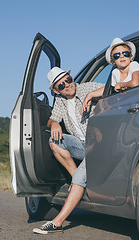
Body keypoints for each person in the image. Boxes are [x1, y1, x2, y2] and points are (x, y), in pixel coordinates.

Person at [33, 67, 104, 234]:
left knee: (80, 175)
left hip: (99, 145)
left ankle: (57, 222)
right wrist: (55, 124)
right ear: (56, 90)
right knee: (54, 141)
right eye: (61, 85)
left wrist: (91, 95)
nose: (67, 85)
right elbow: (51, 119)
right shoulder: (61, 100)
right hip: (81, 145)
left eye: (68, 80)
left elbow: (112, 86)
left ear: (72, 78)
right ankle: (79, 183)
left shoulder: (86, 87)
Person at [81, 37, 139, 113]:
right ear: (112, 61)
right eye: (117, 55)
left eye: (126, 53)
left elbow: (135, 83)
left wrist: (120, 85)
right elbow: (108, 89)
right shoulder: (115, 73)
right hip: (129, 105)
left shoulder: (134, 65)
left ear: (131, 57)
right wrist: (90, 94)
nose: (122, 56)